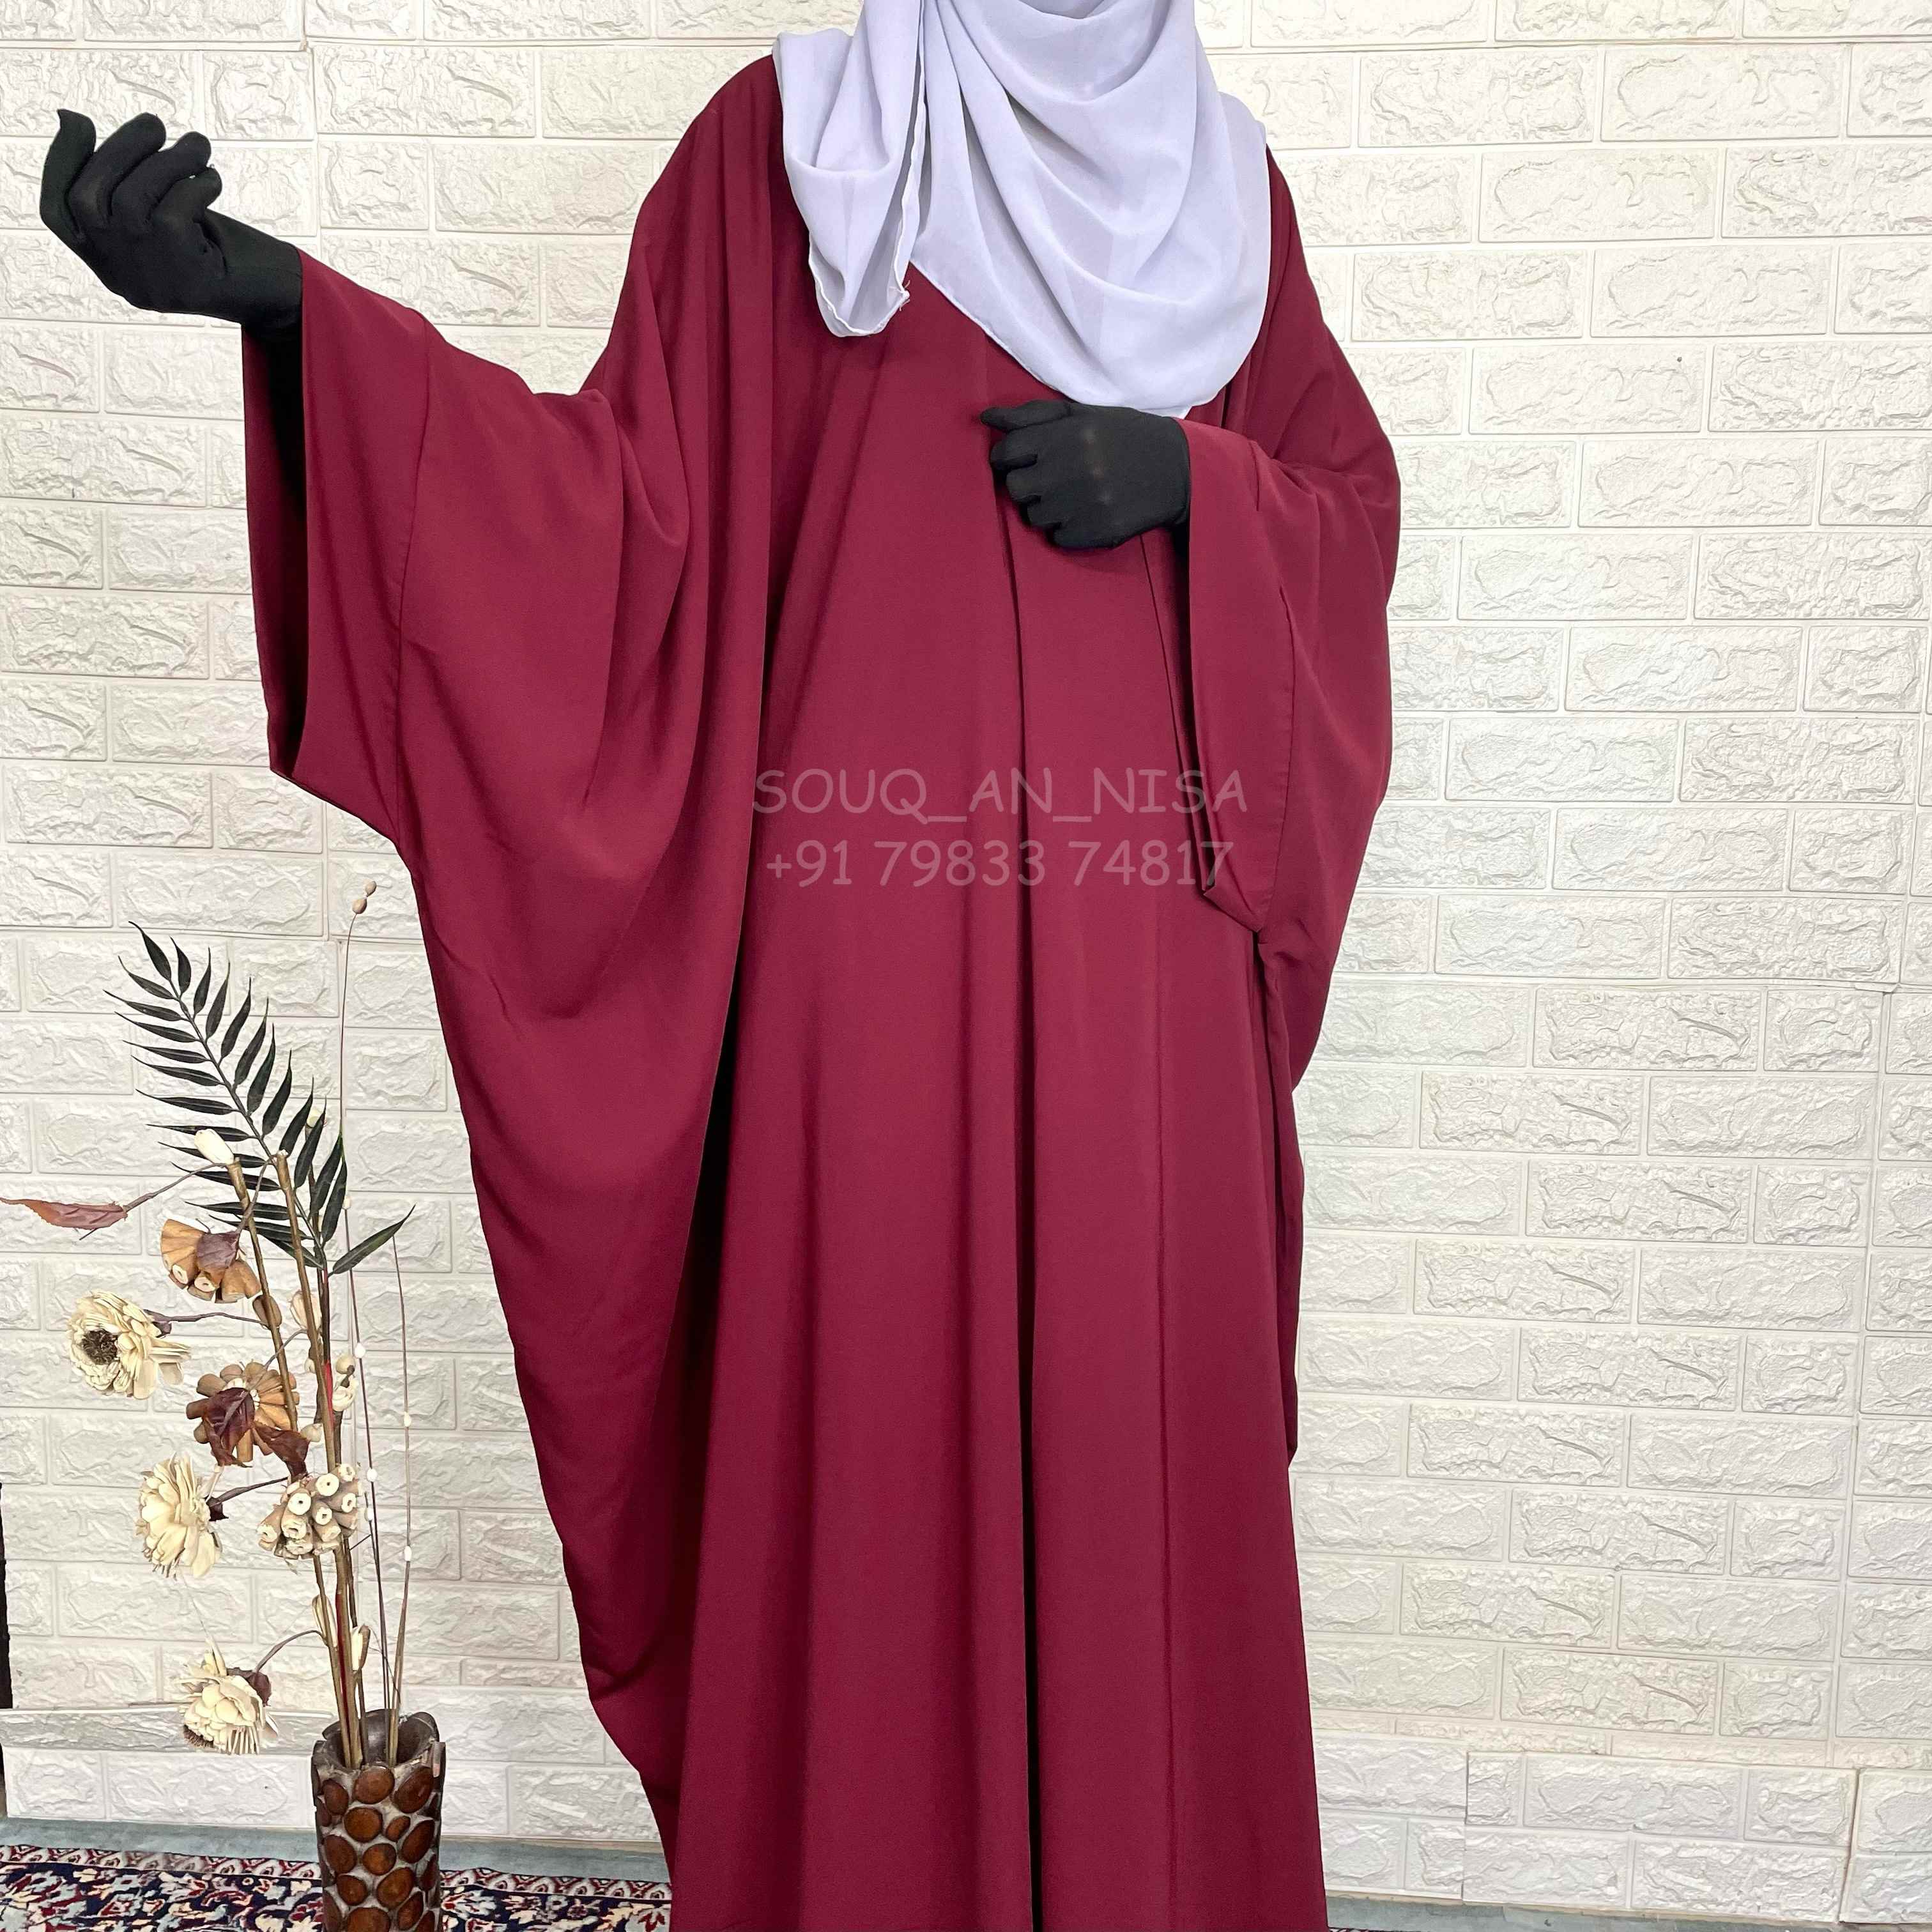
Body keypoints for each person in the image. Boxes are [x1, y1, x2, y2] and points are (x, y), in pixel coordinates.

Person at [40, 2, 1399, 1925]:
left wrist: (1197, 481)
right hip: (868, 990)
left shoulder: (1226, 192)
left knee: (1129, 1434)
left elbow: (1348, 513)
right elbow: (611, 530)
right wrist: (283, 307)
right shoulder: (794, 149)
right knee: (878, 1435)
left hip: (1144, 986)